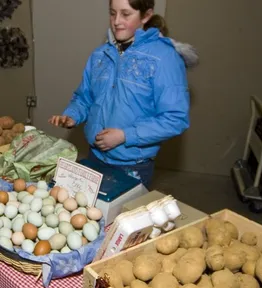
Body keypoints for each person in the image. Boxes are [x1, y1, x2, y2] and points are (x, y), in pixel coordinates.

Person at [49, 0, 198, 188]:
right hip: (95, 156)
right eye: (113, 13)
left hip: (133, 166)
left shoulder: (165, 58)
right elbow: (84, 97)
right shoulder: (100, 54)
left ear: (146, 15)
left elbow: (175, 118)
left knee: (122, 216)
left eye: (126, 14)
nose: (116, 21)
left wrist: (125, 136)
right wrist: (72, 115)